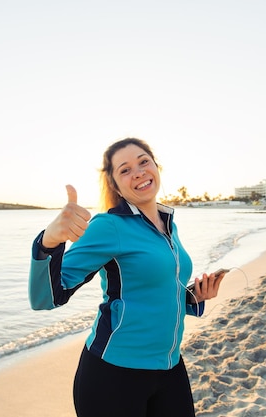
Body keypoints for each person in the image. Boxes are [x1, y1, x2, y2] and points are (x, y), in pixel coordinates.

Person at [28, 137, 226, 417]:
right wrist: (49, 241)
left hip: (169, 367)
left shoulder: (168, 222)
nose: (138, 172)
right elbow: (47, 297)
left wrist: (193, 296)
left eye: (144, 162)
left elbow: (153, 289)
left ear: (156, 166)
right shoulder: (109, 226)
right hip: (114, 374)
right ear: (115, 185)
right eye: (125, 169)